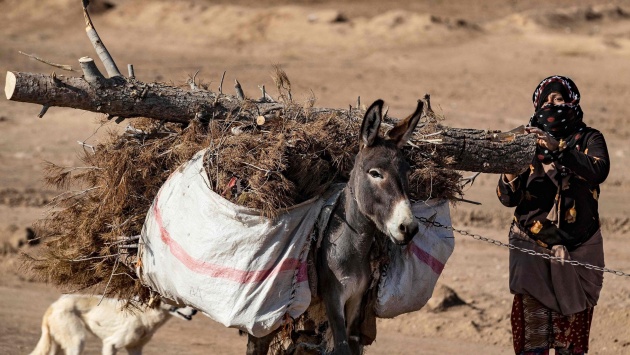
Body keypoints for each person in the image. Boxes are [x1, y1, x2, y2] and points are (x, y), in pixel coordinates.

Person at [496, 75, 610, 355]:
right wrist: (510, 166)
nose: (552, 105)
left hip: (579, 251)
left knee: (570, 346)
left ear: (572, 102)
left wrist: (557, 147)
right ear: (536, 106)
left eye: (558, 99)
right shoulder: (525, 140)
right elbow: (507, 198)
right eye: (546, 101)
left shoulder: (588, 138)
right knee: (532, 344)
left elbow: (599, 170)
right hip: (531, 249)